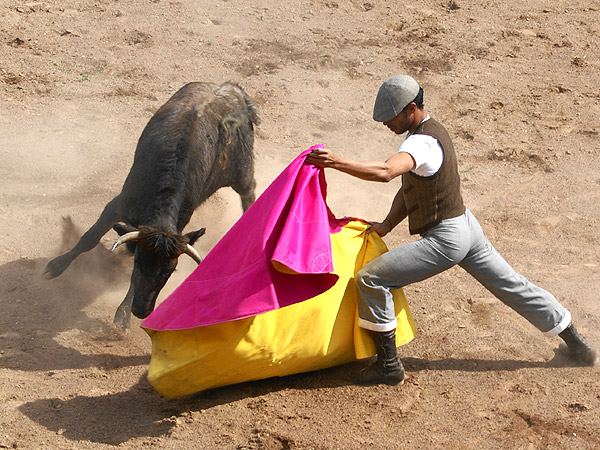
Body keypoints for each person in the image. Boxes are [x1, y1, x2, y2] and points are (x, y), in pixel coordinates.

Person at [305, 75, 597, 386]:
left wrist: (336, 162)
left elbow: (387, 171)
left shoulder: (420, 143)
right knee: (513, 285)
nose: (386, 124)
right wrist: (388, 224)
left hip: (446, 239)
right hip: (466, 226)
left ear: (411, 109)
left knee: (371, 279)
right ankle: (578, 344)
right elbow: (409, 187)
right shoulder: (431, 132)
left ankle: (388, 366)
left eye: (391, 117)